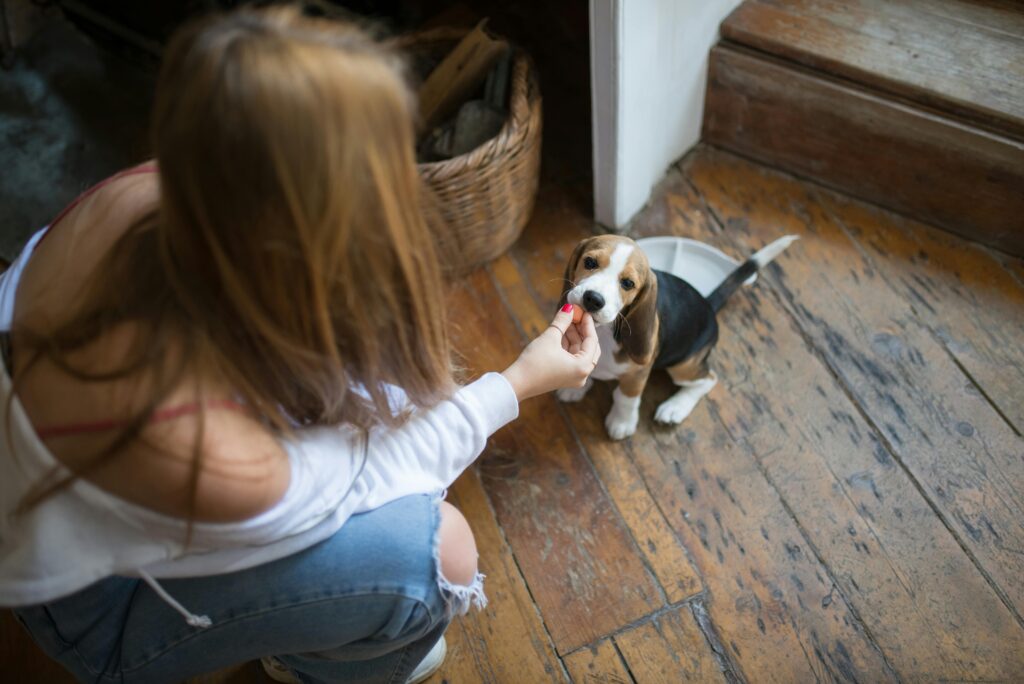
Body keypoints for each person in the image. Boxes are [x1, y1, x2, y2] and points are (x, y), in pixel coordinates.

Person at [0, 6, 599, 683]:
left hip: (70, 499)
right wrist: (517, 382)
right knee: (439, 553)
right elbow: (377, 471)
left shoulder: (157, 190)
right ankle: (317, 662)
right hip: (101, 609)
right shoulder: (213, 457)